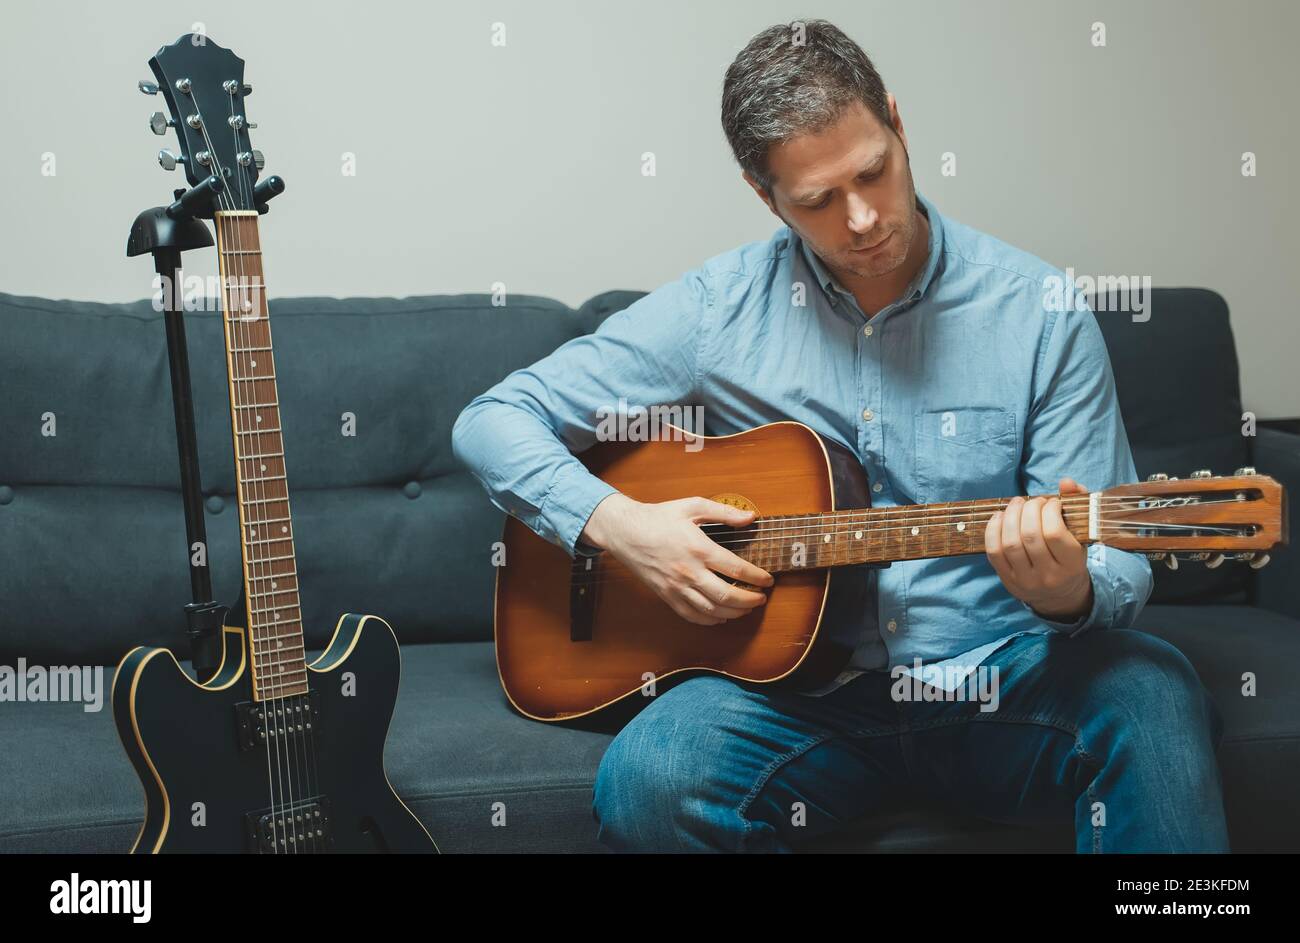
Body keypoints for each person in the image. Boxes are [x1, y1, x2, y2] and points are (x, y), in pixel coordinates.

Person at [451, 19, 1228, 853]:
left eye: (874, 172)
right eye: (818, 200)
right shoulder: (718, 311)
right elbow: (491, 421)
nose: (861, 219)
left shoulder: (1039, 314)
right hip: (789, 700)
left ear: (896, 121)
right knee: (653, 774)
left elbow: (1116, 562)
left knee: (1151, 690)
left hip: (1000, 677)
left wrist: (1066, 589)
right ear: (764, 194)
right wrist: (623, 529)